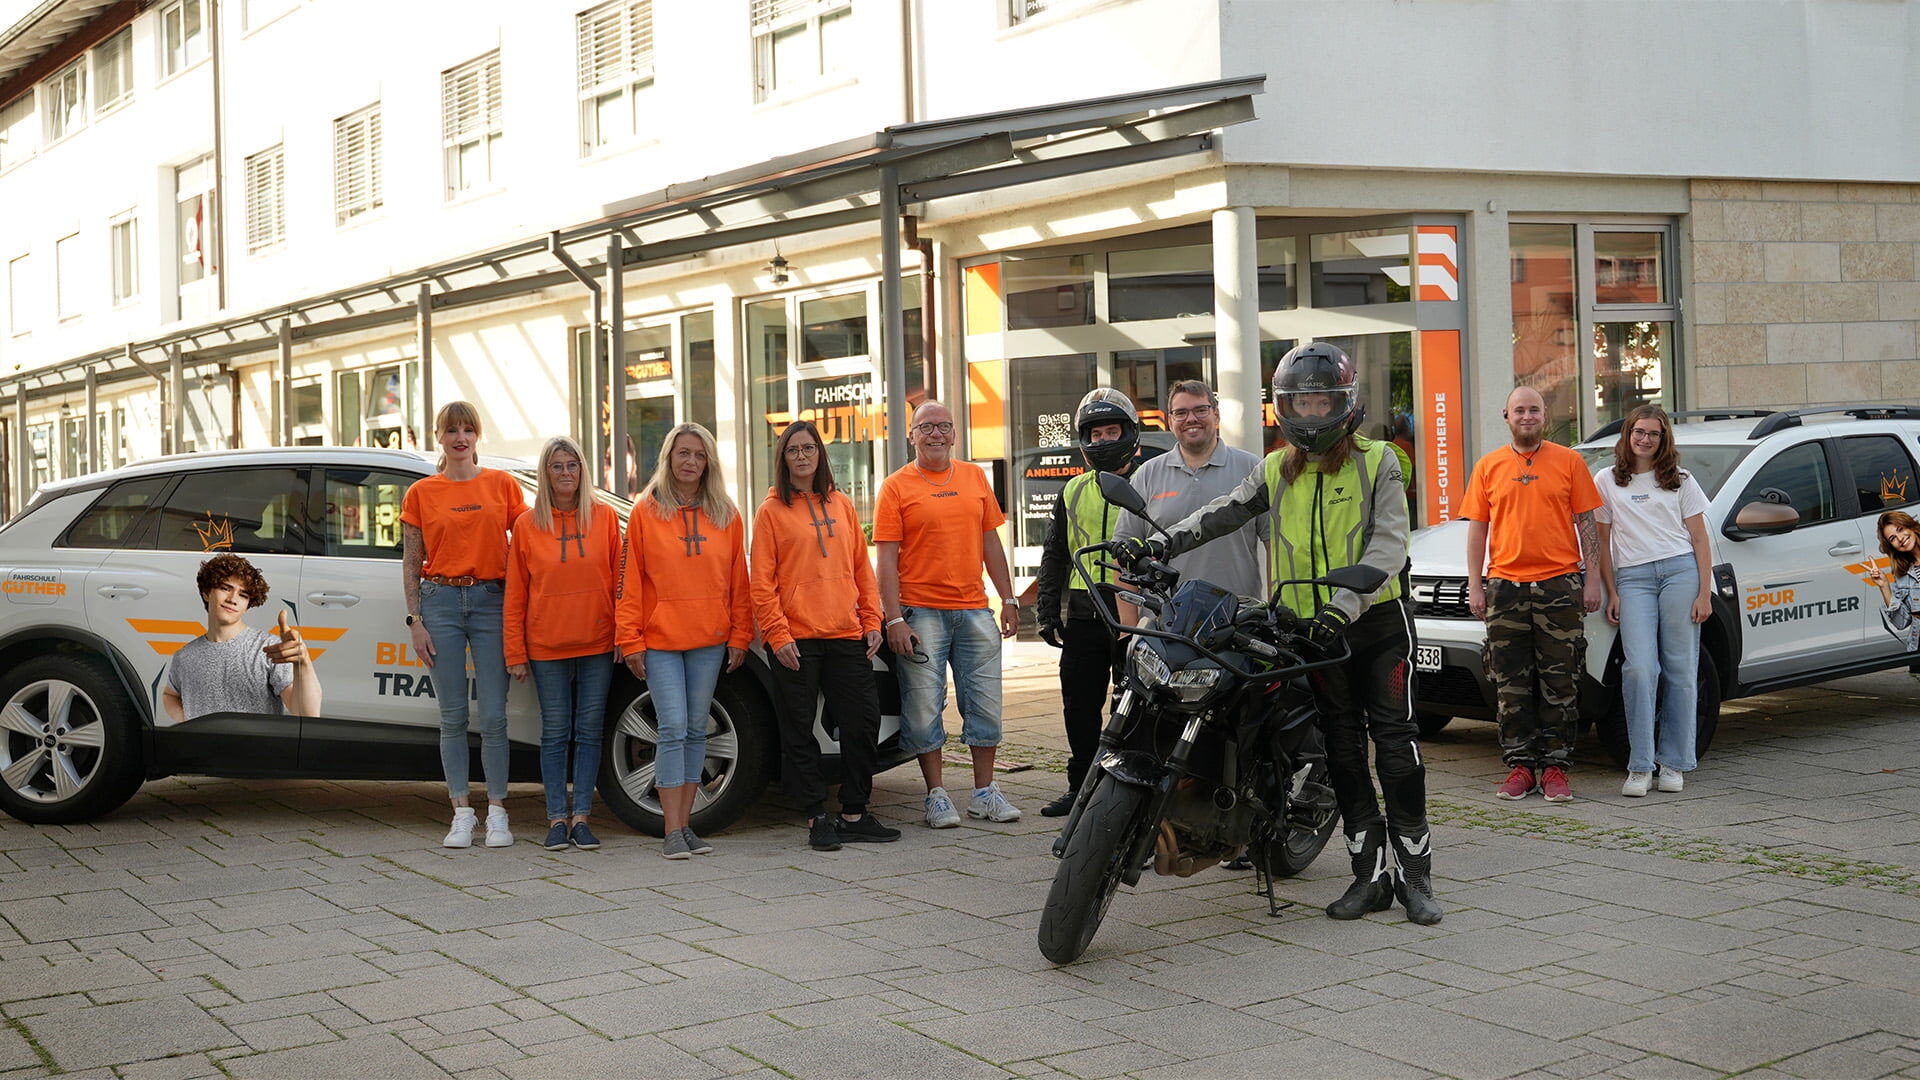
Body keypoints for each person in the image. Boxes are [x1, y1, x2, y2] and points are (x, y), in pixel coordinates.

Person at [1113, 343, 1439, 925]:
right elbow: (1220, 512)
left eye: (1322, 403)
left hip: (1374, 624)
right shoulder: (1274, 467)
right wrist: (1162, 541)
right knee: (1341, 748)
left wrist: (1344, 602)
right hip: (1308, 632)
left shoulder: (1380, 461)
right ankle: (1368, 879)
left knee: (1395, 745)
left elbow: (1390, 543)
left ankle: (1417, 879)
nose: (1311, 415)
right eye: (1301, 403)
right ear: (1284, 407)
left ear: (1345, 404)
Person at [751, 420, 902, 852]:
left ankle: (854, 812)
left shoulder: (841, 504)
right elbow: (761, 583)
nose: (801, 456)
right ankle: (816, 815)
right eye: (793, 450)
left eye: (809, 448)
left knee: (862, 722)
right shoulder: (771, 511)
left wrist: (872, 621)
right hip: (795, 639)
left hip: (844, 633)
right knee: (799, 729)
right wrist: (778, 636)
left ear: (820, 454)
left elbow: (861, 569)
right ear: (783, 458)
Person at [875, 400, 1023, 828]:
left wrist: (1009, 598)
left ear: (954, 434)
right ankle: (936, 795)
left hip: (975, 611)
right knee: (922, 707)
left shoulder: (975, 477)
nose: (935, 434)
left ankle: (983, 792)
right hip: (920, 613)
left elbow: (990, 543)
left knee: (986, 704)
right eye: (926, 427)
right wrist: (893, 619)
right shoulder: (896, 486)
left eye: (943, 426)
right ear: (912, 436)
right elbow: (885, 560)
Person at [1463, 386, 1605, 803]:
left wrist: (1592, 578)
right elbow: (1477, 529)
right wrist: (1476, 583)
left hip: (1560, 583)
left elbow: (1587, 524)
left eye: (1534, 410)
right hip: (1504, 586)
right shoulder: (1488, 466)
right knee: (1511, 682)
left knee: (1561, 679)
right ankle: (1521, 766)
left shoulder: (1570, 461)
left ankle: (1556, 767)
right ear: (1505, 415)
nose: (1527, 416)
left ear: (1545, 415)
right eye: (1519, 410)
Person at [617, 422, 752, 859]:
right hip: (660, 640)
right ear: (669, 458)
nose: (690, 462)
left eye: (698, 454)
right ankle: (672, 829)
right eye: (683, 454)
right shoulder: (646, 511)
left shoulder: (726, 513)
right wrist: (630, 639)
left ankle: (686, 825)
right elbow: (630, 581)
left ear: (708, 461)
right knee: (672, 728)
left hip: (709, 639)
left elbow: (738, 582)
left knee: (697, 730)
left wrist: (740, 634)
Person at [403, 401, 527, 850]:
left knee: (494, 716)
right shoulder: (421, 493)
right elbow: (412, 561)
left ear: (478, 437)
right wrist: (415, 620)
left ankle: (497, 812)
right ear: (439, 436)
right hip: (438, 602)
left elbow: (529, 543)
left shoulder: (503, 485)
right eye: (451, 429)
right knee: (452, 716)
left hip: (492, 600)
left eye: (467, 429)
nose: (460, 437)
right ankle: (460, 814)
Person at [505, 436, 621, 852]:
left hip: (597, 642)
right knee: (555, 732)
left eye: (572, 465)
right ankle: (556, 817)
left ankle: (582, 818)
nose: (566, 473)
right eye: (557, 466)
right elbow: (516, 593)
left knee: (589, 732)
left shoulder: (606, 519)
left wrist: (623, 635)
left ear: (583, 470)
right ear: (545, 473)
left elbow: (620, 583)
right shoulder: (527, 525)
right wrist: (515, 652)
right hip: (546, 645)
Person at [1034, 389, 1144, 817]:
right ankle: (1080, 785)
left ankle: (1130, 792)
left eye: (1111, 431)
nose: (1102, 440)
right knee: (1079, 705)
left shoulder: (1149, 480)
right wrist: (1046, 610)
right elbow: (1055, 553)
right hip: (1084, 610)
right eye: (1095, 434)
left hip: (1136, 608)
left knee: (1134, 704)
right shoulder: (1073, 488)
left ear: (1128, 434)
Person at [1595, 406, 1711, 798]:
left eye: (1654, 434)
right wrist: (1612, 591)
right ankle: (1640, 765)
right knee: (1640, 668)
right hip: (1633, 579)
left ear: (1664, 440)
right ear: (1627, 435)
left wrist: (1703, 593)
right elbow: (1603, 543)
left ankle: (1674, 762)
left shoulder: (1681, 480)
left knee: (1681, 668)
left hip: (1680, 573)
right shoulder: (1607, 480)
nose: (1645, 439)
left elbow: (1699, 540)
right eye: (1639, 432)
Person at [1112, 379, 1266, 613]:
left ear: (1216, 415)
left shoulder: (1252, 469)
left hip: (1239, 621)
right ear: (1170, 421)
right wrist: (1128, 632)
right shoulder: (1147, 474)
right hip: (1164, 624)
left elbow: (1275, 545)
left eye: (1200, 410)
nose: (1191, 419)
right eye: (1181, 413)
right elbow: (1122, 560)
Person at [163, 554, 320, 723]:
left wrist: (303, 664)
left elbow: (307, 714)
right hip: (201, 749)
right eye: (225, 588)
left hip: (256, 749)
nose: (233, 599)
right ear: (206, 593)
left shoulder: (269, 648)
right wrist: (186, 723)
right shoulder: (184, 655)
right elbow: (169, 694)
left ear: (247, 605)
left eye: (243, 595)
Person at [1864, 510, 1920, 653]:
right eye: (1893, 538)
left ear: (1911, 526)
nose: (1900, 538)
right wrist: (1884, 586)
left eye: (1900, 529)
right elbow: (1901, 623)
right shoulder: (1902, 574)